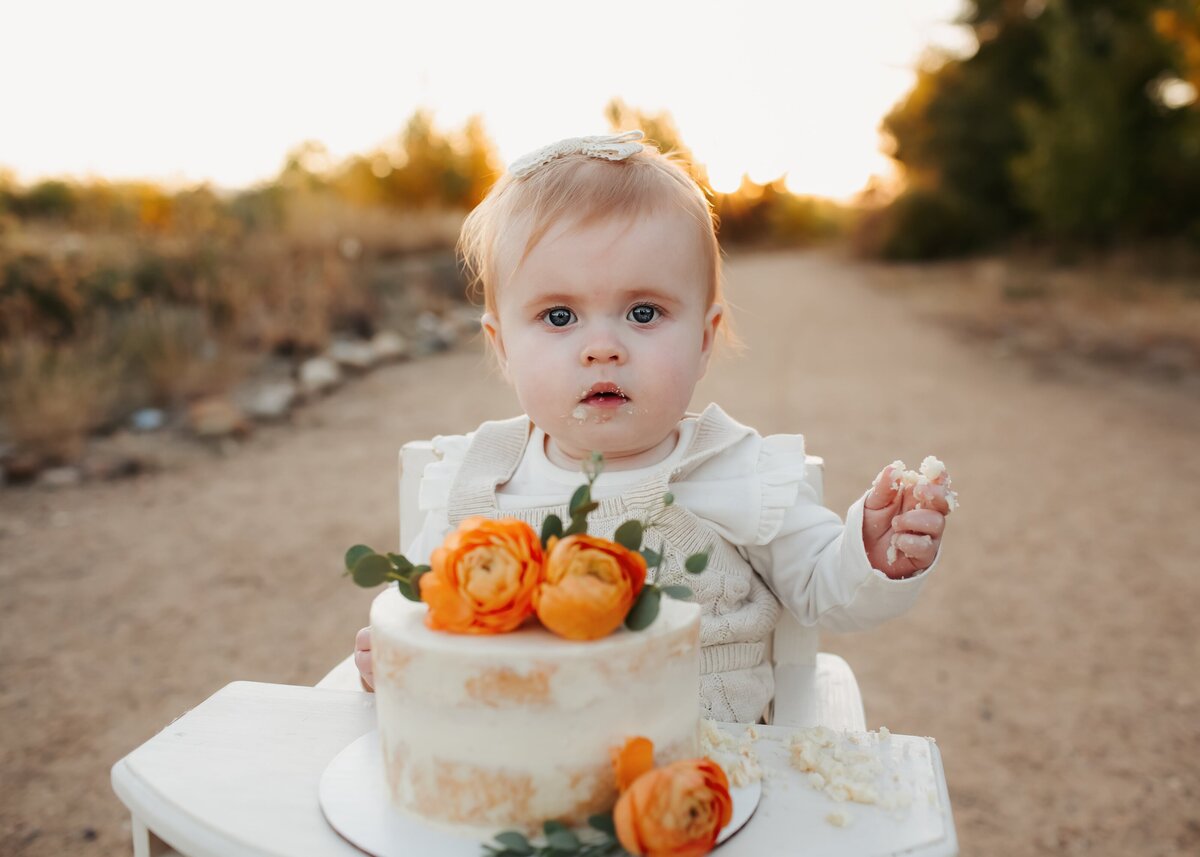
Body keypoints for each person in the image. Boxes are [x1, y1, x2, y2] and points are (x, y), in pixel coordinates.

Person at [353, 130, 955, 722]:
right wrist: (400, 655)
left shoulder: (734, 469)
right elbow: (423, 609)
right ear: (502, 345)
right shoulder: (479, 479)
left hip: (708, 773)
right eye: (559, 316)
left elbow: (824, 590)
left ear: (702, 340)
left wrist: (868, 555)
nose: (602, 347)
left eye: (644, 313)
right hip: (524, 768)